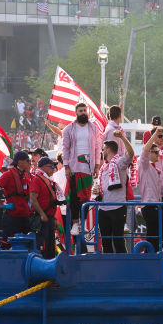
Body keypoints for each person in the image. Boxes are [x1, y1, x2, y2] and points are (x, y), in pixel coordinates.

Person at [60, 102, 103, 243]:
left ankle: (82, 224)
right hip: (73, 166)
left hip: (88, 168)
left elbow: (97, 148)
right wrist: (66, 166)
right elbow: (65, 148)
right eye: (81, 111)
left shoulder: (94, 129)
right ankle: (75, 223)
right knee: (74, 197)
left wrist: (97, 166)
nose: (83, 113)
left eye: (85, 110)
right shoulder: (68, 129)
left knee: (86, 198)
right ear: (76, 113)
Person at [94, 129, 134, 253]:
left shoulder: (119, 162)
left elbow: (131, 153)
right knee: (105, 242)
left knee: (118, 241)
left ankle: (123, 268)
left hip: (117, 207)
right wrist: (97, 190)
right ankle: (107, 269)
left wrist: (122, 136)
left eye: (103, 149)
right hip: (104, 208)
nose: (102, 151)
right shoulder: (104, 167)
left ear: (108, 150)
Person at [136, 140, 163, 252]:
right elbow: (144, 151)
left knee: (156, 234)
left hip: (155, 206)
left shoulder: (153, 168)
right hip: (149, 206)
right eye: (156, 152)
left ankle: (151, 256)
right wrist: (154, 135)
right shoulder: (145, 165)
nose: (159, 154)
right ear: (150, 153)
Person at [0, 151, 37, 247]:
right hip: (12, 215)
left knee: (27, 243)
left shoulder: (27, 175)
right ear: (19, 162)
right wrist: (0, 204)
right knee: (6, 243)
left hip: (25, 215)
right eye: (27, 160)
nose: (29, 163)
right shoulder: (8, 174)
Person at [32, 157, 62, 258]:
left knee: (50, 248)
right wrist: (42, 214)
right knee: (42, 247)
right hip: (41, 220)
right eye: (52, 166)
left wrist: (53, 219)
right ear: (44, 167)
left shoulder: (48, 181)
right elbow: (33, 199)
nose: (54, 169)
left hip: (48, 219)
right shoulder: (37, 180)